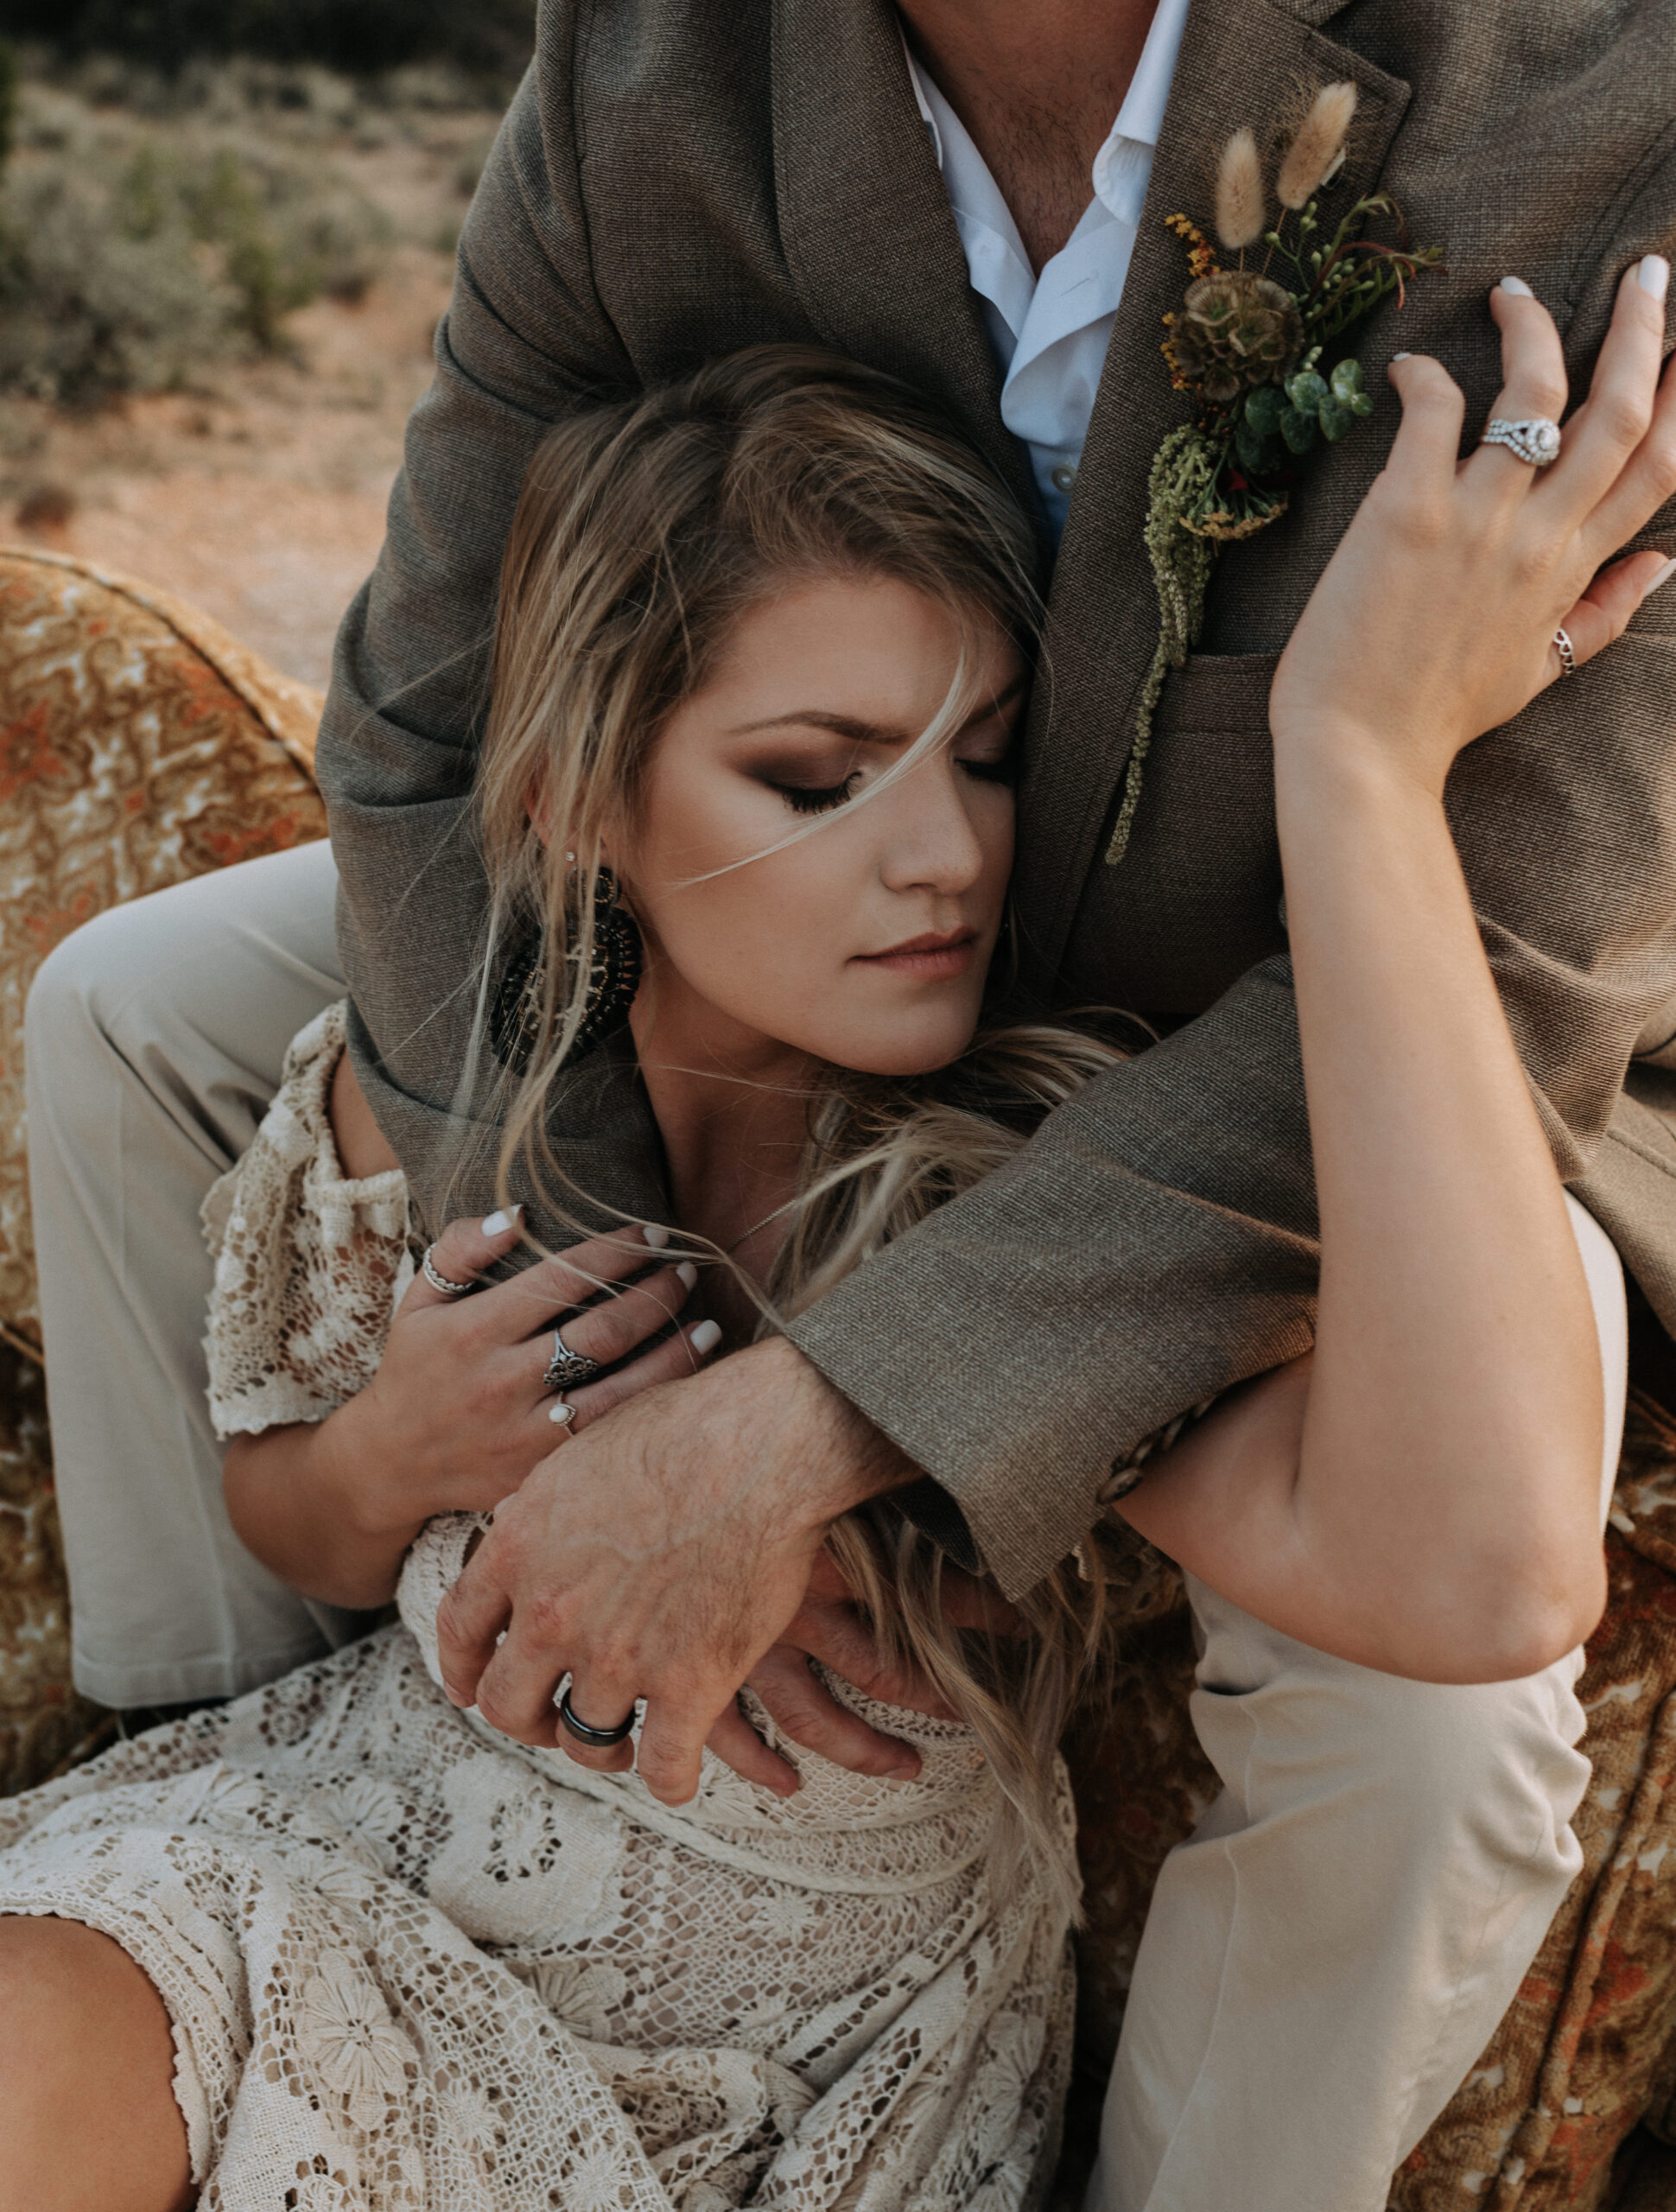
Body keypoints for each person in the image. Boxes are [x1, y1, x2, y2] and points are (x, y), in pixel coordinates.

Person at [19, 0, 1676, 2203]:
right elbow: (426, 733)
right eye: (821, 787)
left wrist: (813, 1413)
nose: (930, 838)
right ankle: (241, 1731)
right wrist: (617, 1363)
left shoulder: (1605, 103)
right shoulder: (649, 63)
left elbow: (1512, 962)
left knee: (1435, 1721)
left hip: (1367, 988)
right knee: (131, 1000)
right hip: (736, 907)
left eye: (941, 784)